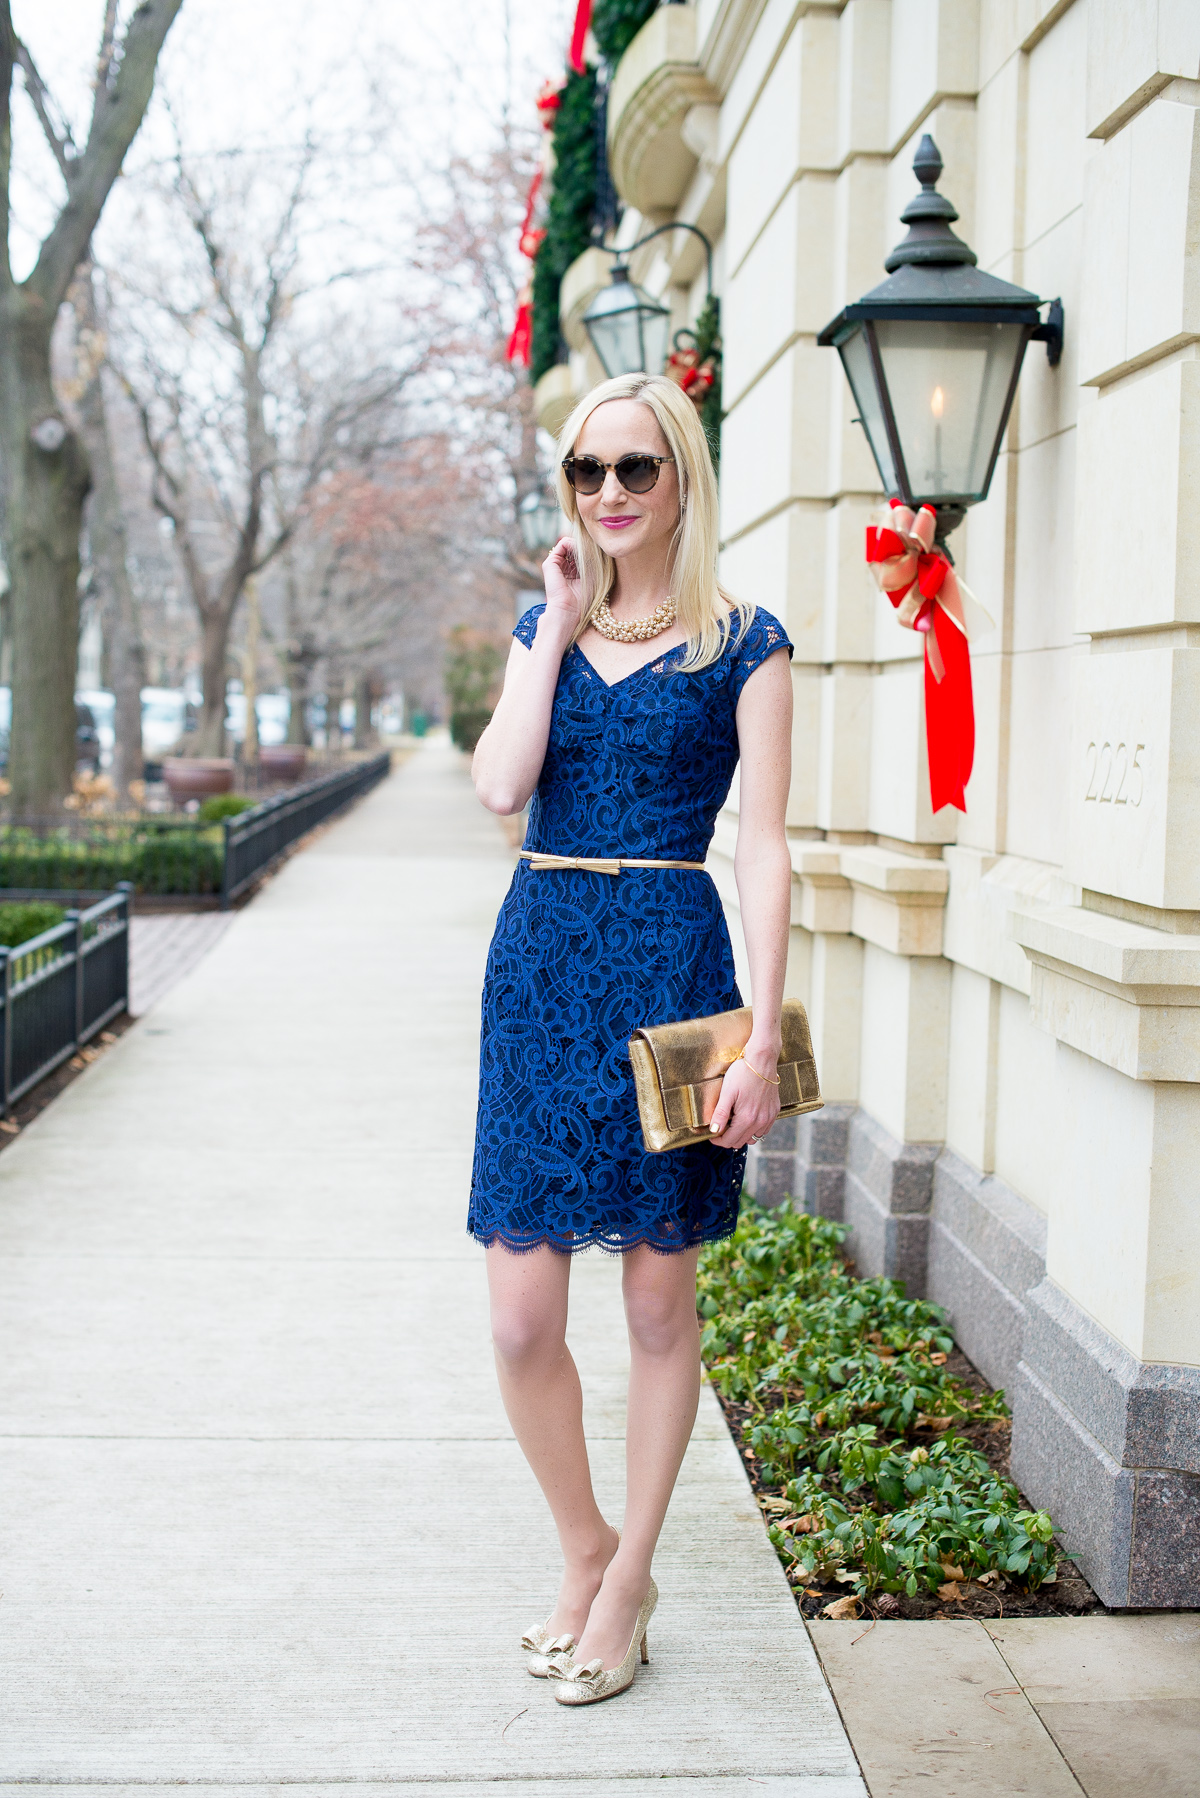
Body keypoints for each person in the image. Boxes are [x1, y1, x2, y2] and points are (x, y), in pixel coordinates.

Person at [469, 372, 793, 1705]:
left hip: (673, 965)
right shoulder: (541, 626)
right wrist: (548, 632)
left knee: (660, 1299)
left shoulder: (747, 642)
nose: (609, 492)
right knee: (520, 1312)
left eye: (635, 470)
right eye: (587, 471)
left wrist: (764, 1036)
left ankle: (627, 1577)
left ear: (681, 481)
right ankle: (584, 1542)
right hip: (542, 968)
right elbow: (499, 782)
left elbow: (765, 847)